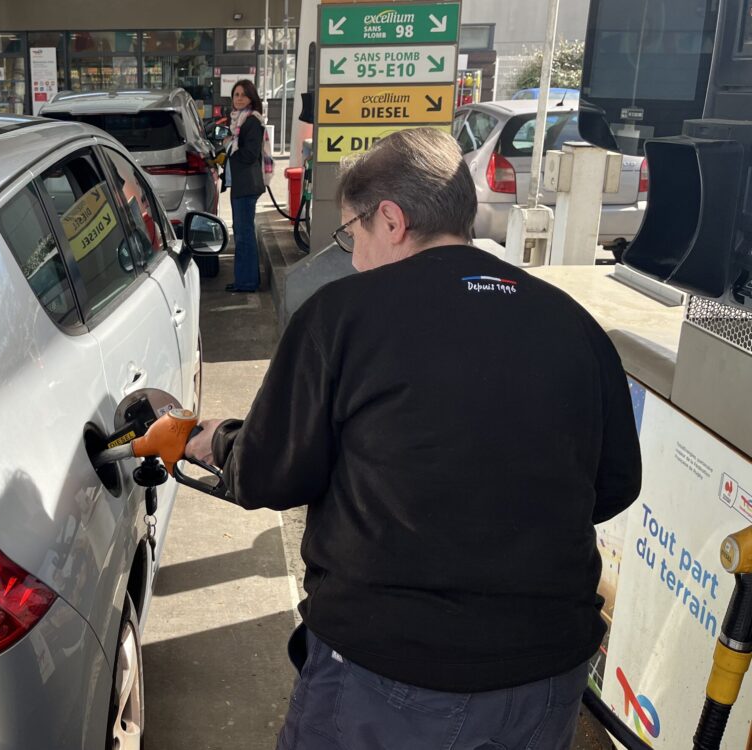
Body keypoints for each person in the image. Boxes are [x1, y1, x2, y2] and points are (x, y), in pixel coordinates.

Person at [185, 127, 642, 749]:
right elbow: (615, 486)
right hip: (547, 678)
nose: (353, 258)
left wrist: (215, 440)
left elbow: (270, 473)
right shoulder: (572, 324)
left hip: (392, 674)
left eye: (352, 234)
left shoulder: (342, 317)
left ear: (392, 219)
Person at [223, 79, 266, 293]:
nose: (239, 98)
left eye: (243, 95)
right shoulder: (239, 121)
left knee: (244, 235)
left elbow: (250, 154)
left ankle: (247, 282)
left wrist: (230, 146)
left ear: (251, 98)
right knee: (241, 232)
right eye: (236, 94)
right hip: (241, 186)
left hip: (247, 186)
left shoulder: (252, 121)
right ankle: (245, 279)